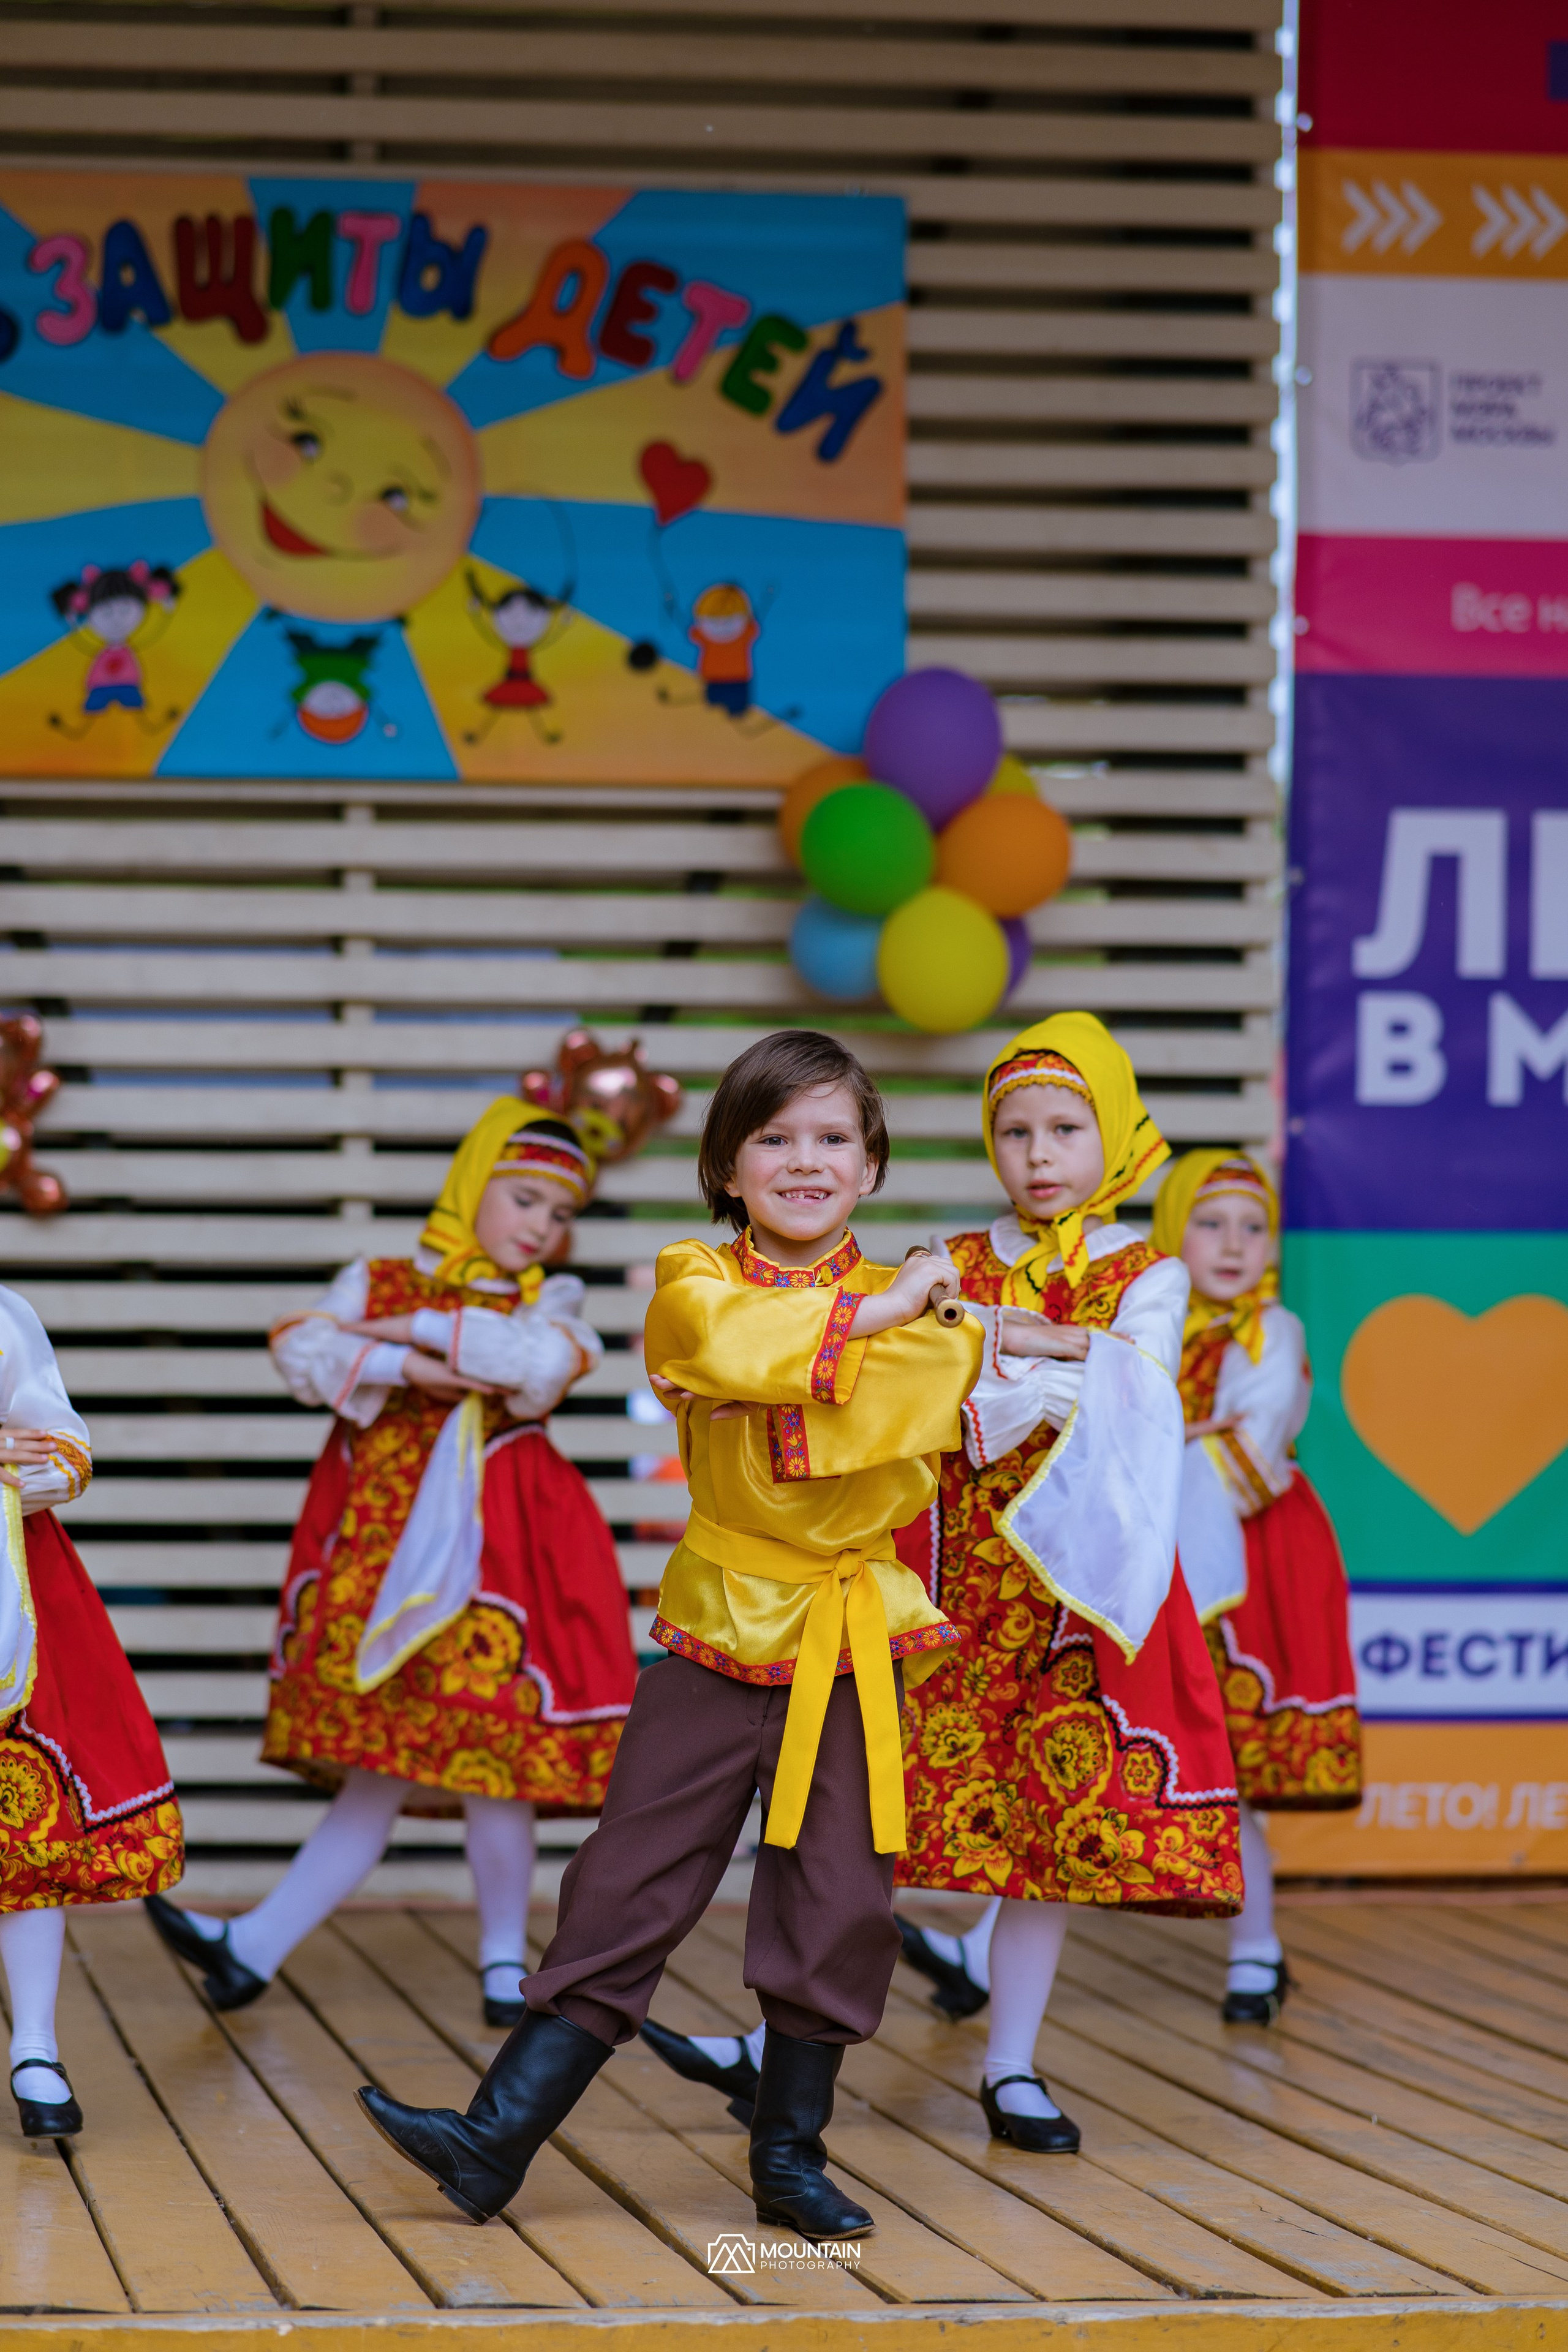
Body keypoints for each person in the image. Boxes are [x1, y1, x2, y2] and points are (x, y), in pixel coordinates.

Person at [356, 1030, 982, 2237]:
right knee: (627, 1877)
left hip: (854, 1641)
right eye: (773, 1138)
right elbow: (739, 1352)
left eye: (833, 1139)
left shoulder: (929, 1317)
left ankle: (787, 2158)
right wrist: (895, 1314)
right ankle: (493, 2143)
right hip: (715, 1631)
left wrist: (906, 1341)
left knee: (840, 1895)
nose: (805, 1161)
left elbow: (911, 1397)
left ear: (870, 1166)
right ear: (726, 1167)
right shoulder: (693, 1279)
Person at [145, 1102, 636, 2027]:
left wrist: (404, 1336)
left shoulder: (549, 1304)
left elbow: (530, 1370)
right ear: (471, 1183)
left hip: (505, 1554)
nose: (541, 1226)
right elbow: (299, 1347)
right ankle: (263, 1946)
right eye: (524, 1198)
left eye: (560, 1214)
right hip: (382, 1548)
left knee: (498, 1751)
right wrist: (412, 1364)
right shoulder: (378, 1277)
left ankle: (497, 1962)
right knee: (386, 1756)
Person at [886, 1014, 1240, 2151]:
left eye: (1065, 1127)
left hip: (1072, 1589)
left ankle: (1011, 2065)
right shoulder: (949, 1258)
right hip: (955, 1583)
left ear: (1115, 1132)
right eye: (1014, 1130)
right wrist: (1029, 1343)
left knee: (1043, 1830)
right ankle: (791, 2041)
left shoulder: (1150, 1270)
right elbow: (921, 1380)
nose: (1039, 1153)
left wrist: (1010, 1338)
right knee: (892, 1817)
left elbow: (1144, 1391)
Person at [1151, 1150, 1360, 2025]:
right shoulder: (1153, 1321)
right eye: (1209, 1222)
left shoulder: (1270, 1331)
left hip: (1251, 1560)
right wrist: (1185, 1426)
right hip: (1171, 1547)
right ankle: (984, 1949)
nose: (1234, 1244)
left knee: (1229, 1755)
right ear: (1172, 1232)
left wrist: (1161, 1432)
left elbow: (1252, 1449)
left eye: (1252, 1226)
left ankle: (1253, 1949)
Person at [0, 1290, 184, 2138]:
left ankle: (35, 2046)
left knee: (28, 1818)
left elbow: (63, 1445)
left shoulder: (6, 1315)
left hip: (14, 1599)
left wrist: (37, 1465)